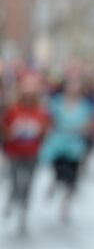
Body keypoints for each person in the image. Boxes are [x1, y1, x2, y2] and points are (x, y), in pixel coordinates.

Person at [39, 76, 94, 222]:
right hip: (59, 142)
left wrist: (84, 129)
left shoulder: (85, 105)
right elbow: (48, 119)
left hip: (75, 144)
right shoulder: (57, 102)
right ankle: (55, 183)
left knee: (72, 177)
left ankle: (65, 204)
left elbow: (90, 125)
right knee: (59, 170)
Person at [2, 74, 50, 235]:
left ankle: (23, 212)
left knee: (28, 183)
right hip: (15, 152)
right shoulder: (13, 109)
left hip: (32, 152)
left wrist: (39, 132)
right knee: (15, 180)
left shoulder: (40, 111)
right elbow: (5, 128)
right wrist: (12, 133)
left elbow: (45, 130)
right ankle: (13, 198)